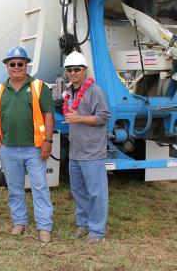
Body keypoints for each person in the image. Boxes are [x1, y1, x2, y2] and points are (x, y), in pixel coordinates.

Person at [0, 46, 55, 243]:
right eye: (12, 64)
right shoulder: (0, 89)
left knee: (40, 188)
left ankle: (44, 226)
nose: (16, 67)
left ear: (26, 65)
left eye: (20, 63)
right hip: (8, 149)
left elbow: (49, 116)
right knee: (14, 188)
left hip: (34, 148)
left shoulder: (38, 87)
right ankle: (19, 222)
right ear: (7, 67)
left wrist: (48, 142)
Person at [62, 51, 111, 245]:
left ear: (84, 70)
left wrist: (78, 118)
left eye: (76, 69)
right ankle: (83, 224)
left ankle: (97, 231)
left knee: (97, 193)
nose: (72, 73)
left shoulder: (94, 90)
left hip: (92, 153)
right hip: (75, 152)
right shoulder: (69, 92)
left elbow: (104, 117)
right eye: (69, 70)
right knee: (79, 192)